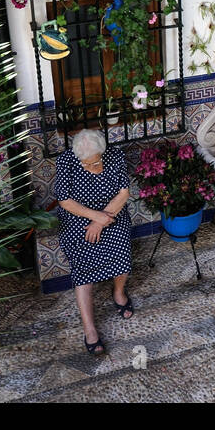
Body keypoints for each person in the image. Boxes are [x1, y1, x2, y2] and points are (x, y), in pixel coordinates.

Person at [53, 129, 134, 356]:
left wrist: (100, 221)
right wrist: (94, 217)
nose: (92, 167)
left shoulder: (114, 156)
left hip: (111, 213)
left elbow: (123, 193)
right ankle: (89, 329)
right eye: (87, 164)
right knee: (83, 265)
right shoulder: (66, 162)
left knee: (120, 248)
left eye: (96, 161)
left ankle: (118, 293)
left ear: (102, 151)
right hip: (79, 217)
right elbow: (65, 201)